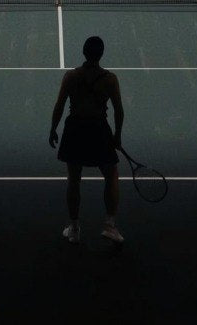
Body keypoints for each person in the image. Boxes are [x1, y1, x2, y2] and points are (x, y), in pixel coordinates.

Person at [49, 36, 125, 244]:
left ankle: (74, 228)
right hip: (99, 129)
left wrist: (53, 128)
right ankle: (110, 226)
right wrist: (117, 136)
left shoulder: (71, 77)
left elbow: (60, 105)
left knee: (74, 179)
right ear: (101, 54)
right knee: (111, 175)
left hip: (75, 129)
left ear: (84, 52)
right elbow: (119, 110)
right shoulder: (110, 79)